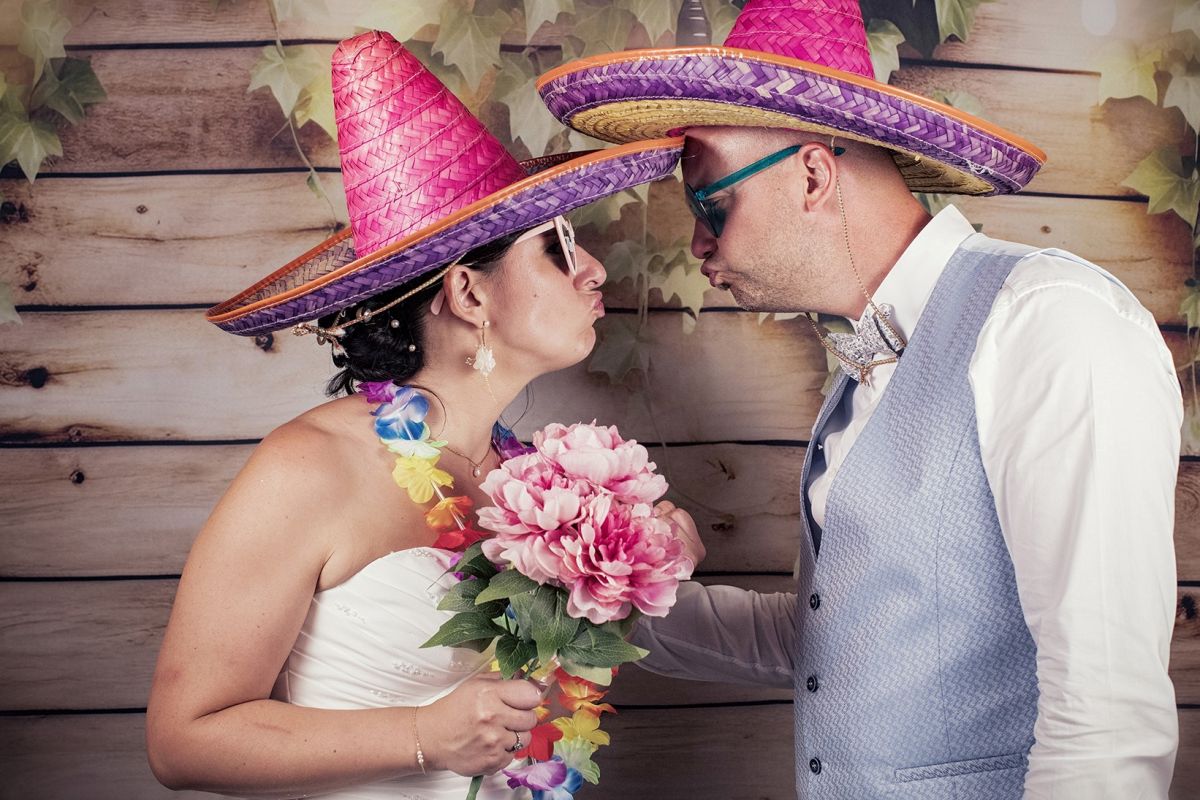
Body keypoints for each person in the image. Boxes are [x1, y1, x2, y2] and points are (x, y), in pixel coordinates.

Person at [537, 1, 1183, 797]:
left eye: (710, 205)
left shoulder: (1051, 323)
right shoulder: (862, 364)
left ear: (812, 175)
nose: (700, 244)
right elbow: (838, 638)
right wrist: (608, 586)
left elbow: (1106, 720)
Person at [145, 30, 696, 799]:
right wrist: (421, 736)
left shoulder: (535, 482)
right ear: (469, 294)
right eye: (558, 248)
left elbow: (552, 686)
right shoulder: (309, 466)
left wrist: (646, 565)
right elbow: (183, 742)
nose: (595, 267)